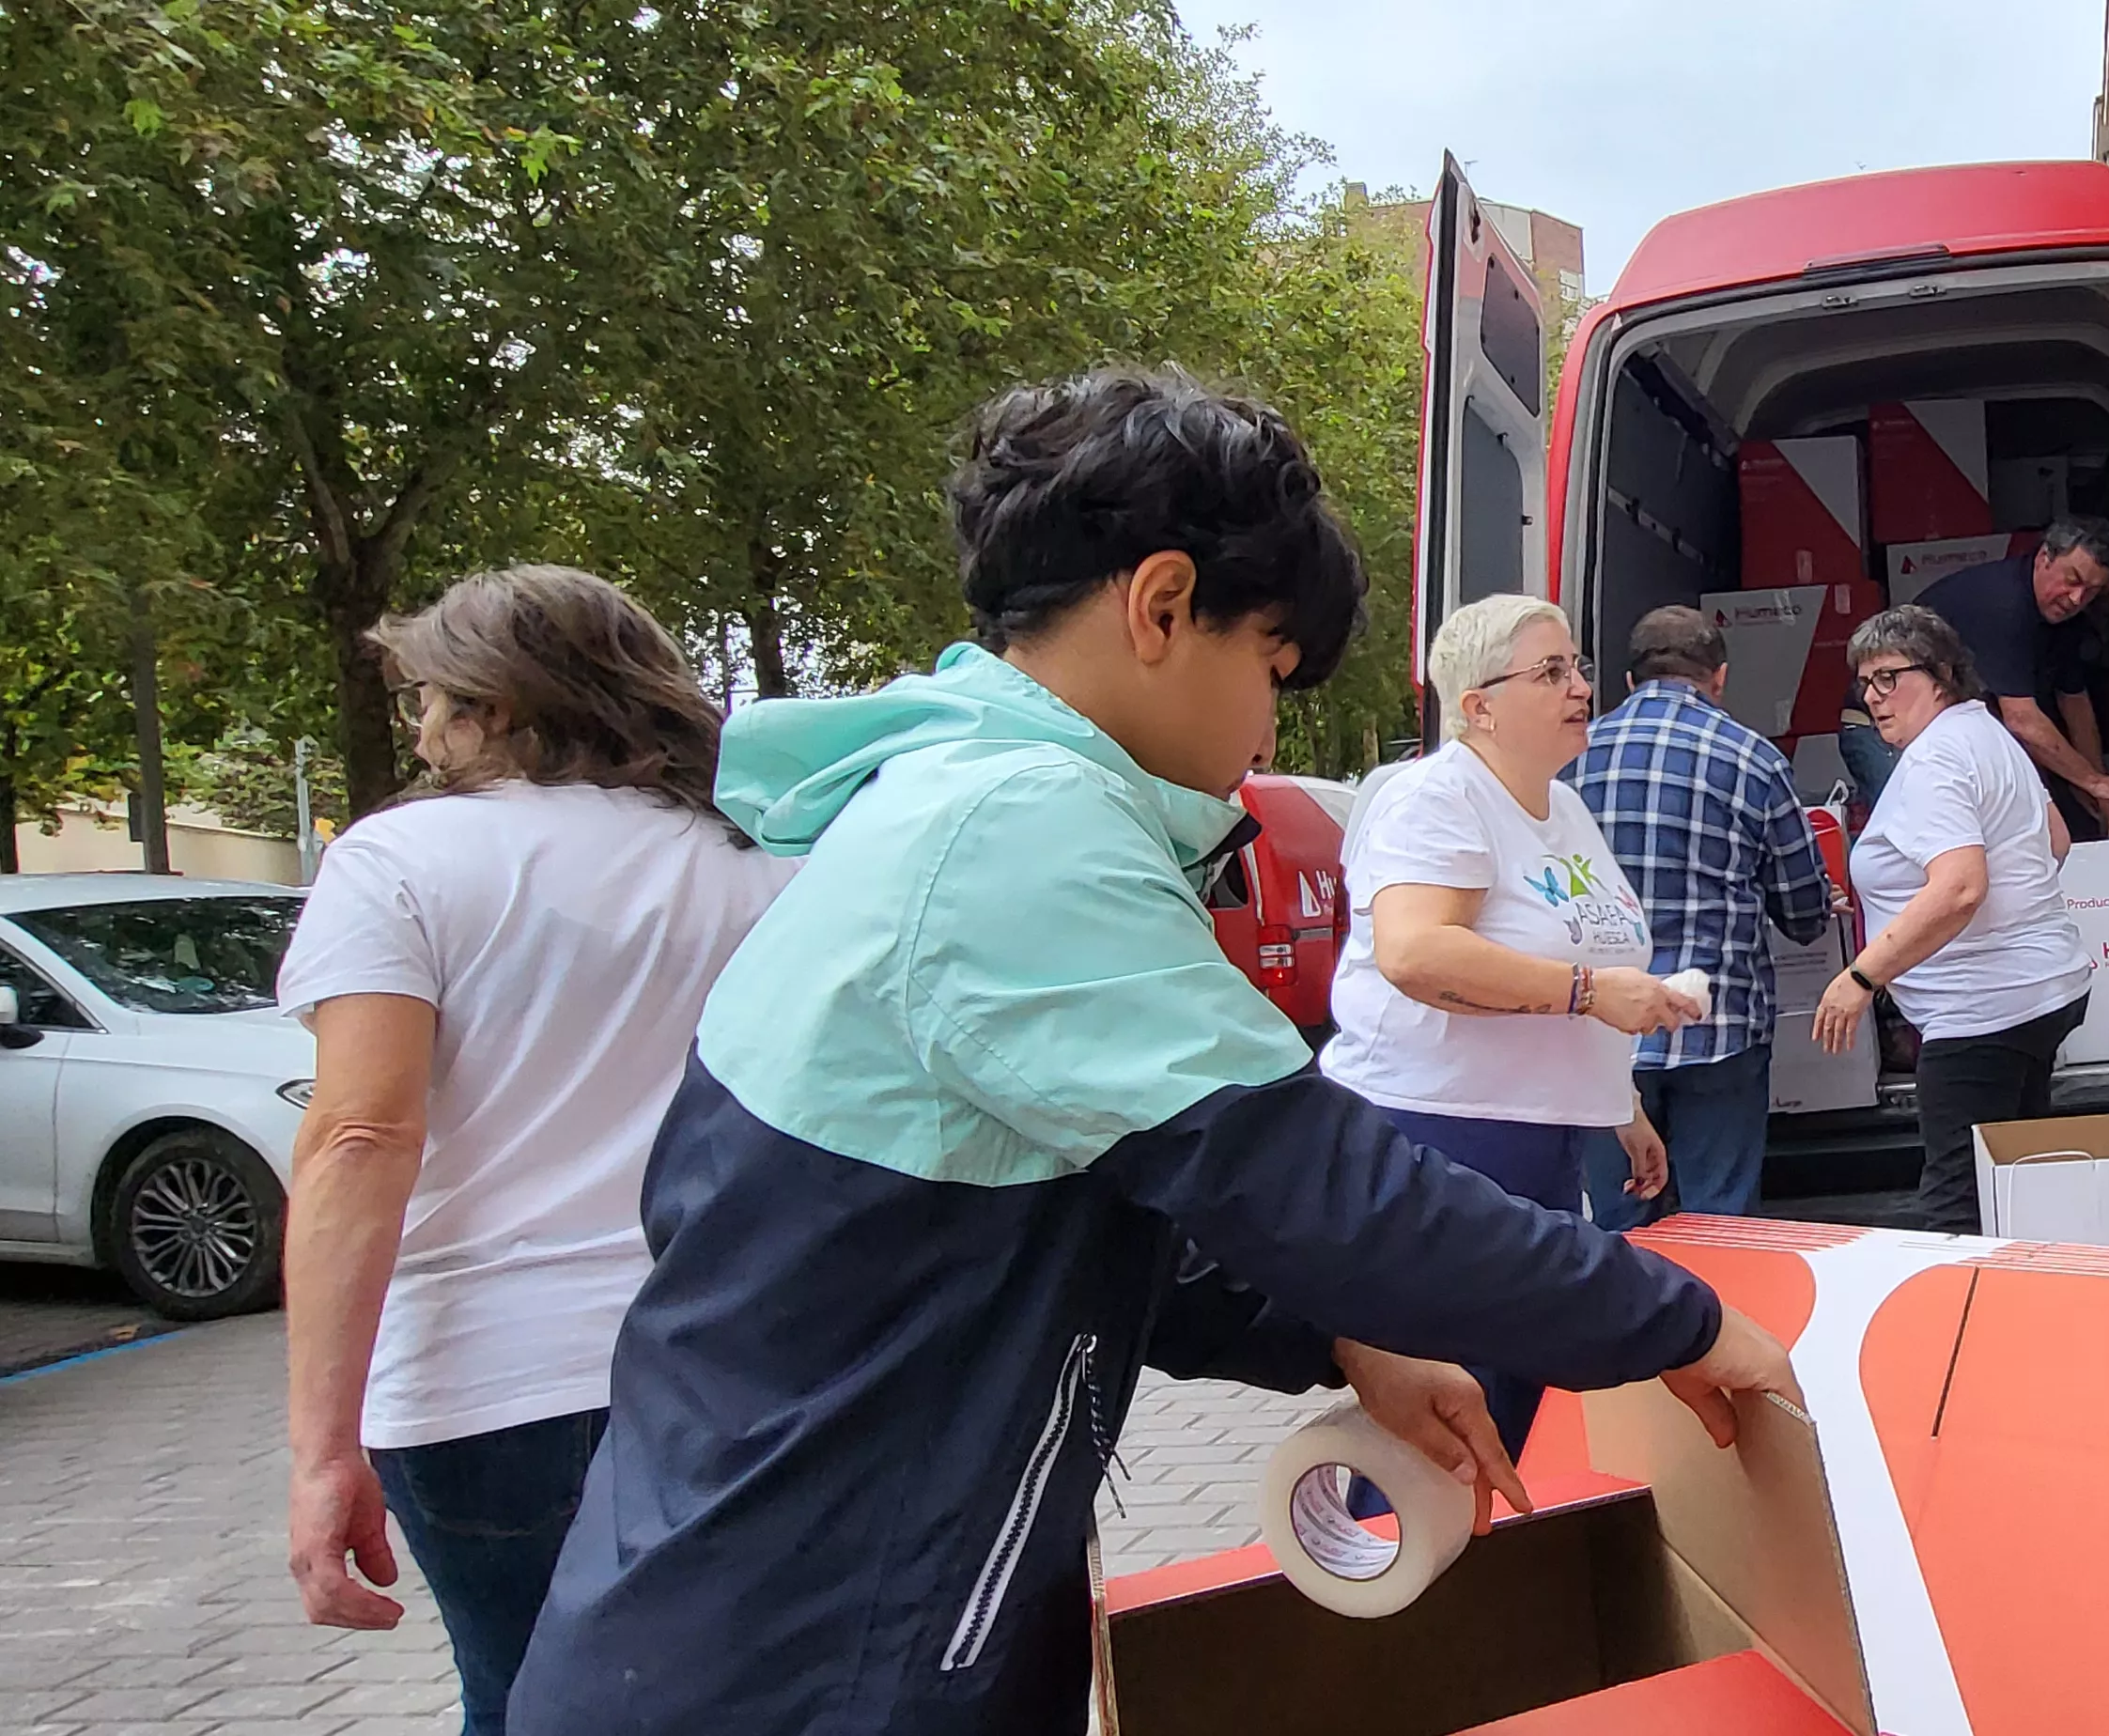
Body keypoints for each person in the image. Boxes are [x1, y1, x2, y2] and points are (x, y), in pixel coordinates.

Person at [503, 369, 1795, 1736]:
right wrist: (1686, 1323)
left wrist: (1346, 1338)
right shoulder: (1017, 829)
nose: (1267, 733)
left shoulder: (967, 800)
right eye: (1272, 670)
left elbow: (1115, 1215)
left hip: (828, 1602)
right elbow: (1312, 1185)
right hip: (809, 1647)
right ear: (1163, 605)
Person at [277, 566, 796, 1736]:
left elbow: (361, 1135)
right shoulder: (761, 866)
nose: (418, 726)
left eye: (431, 696)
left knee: (519, 1700)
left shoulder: (399, 862)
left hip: (482, 1383)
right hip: (725, 1360)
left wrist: (321, 1449)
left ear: (499, 707)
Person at [1321, 591, 1705, 1465]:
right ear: (1477, 705)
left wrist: (1618, 1102)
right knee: (1453, 1413)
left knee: (1514, 1399)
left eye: (1578, 666)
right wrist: (1587, 993)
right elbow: (1416, 954)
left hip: (1535, 1143)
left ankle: (1502, 1582)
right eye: (1550, 670)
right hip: (1440, 1139)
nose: (1580, 686)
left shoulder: (1561, 807)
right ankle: (1413, 1578)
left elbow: (1584, 962)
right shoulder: (1438, 798)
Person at [1810, 605, 2093, 1237]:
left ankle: (1959, 1327)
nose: (1873, 697)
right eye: (1864, 682)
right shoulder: (1988, 732)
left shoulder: (1934, 759)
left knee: (1956, 1202)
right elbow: (2054, 839)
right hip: (2042, 990)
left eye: (1889, 677)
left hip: (1978, 1012)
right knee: (2015, 1181)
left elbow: (1961, 886)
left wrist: (1861, 977)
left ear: (1940, 674)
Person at [1568, 605, 1838, 1227]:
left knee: (1613, 1226)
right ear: (1718, 677)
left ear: (1630, 681)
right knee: (1725, 1226)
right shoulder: (1753, 759)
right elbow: (1804, 913)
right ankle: (1720, 1321)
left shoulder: (1570, 757)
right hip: (1717, 1030)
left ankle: (1627, 1320)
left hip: (1600, 1030)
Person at [1888, 515, 2109, 830]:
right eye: (2072, 580)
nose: (2076, 599)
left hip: (1952, 732)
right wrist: (2094, 782)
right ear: (2045, 557)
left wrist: (2099, 787)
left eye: (2090, 591)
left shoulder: (2066, 616)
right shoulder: (2005, 604)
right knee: (1929, 835)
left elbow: (2074, 701)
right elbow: (2021, 719)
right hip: (1886, 726)